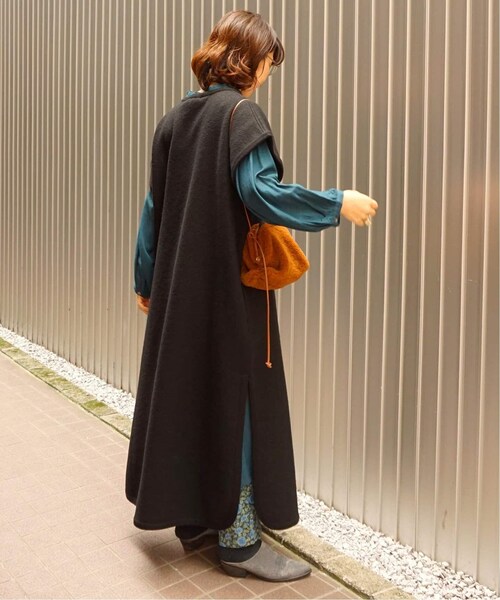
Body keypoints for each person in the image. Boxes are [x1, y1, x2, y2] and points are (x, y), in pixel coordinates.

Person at [126, 10, 378, 582]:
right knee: (237, 400)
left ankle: (195, 522)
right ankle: (239, 544)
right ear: (250, 61)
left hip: (179, 294)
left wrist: (146, 282)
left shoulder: (175, 118)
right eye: (268, 62)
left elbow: (153, 208)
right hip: (225, 292)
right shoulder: (241, 115)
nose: (268, 74)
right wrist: (336, 203)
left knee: (191, 394)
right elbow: (259, 192)